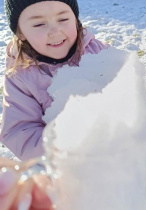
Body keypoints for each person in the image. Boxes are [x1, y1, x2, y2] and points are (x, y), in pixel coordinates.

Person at [0, 0, 108, 161]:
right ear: (20, 32)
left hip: (111, 157)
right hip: (65, 170)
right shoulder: (21, 75)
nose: (55, 31)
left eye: (63, 19)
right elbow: (20, 131)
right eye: (39, 24)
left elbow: (132, 91)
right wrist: (64, 145)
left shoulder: (96, 52)